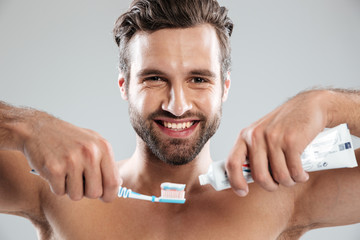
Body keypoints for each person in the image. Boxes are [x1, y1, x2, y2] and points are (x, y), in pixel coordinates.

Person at [1, 0, 360, 239]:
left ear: (225, 87)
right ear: (125, 86)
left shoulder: (282, 191)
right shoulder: (56, 186)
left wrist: (326, 105)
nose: (177, 105)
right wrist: (25, 126)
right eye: (155, 78)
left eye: (198, 79)